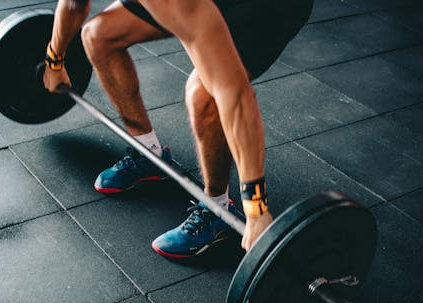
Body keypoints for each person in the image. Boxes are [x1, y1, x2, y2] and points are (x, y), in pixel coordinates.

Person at [44, 0, 313, 257]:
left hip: (266, 6)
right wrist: (54, 60)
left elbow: (236, 96)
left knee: (204, 95)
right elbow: (73, 4)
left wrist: (256, 208)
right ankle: (148, 152)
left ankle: (218, 209)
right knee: (98, 35)